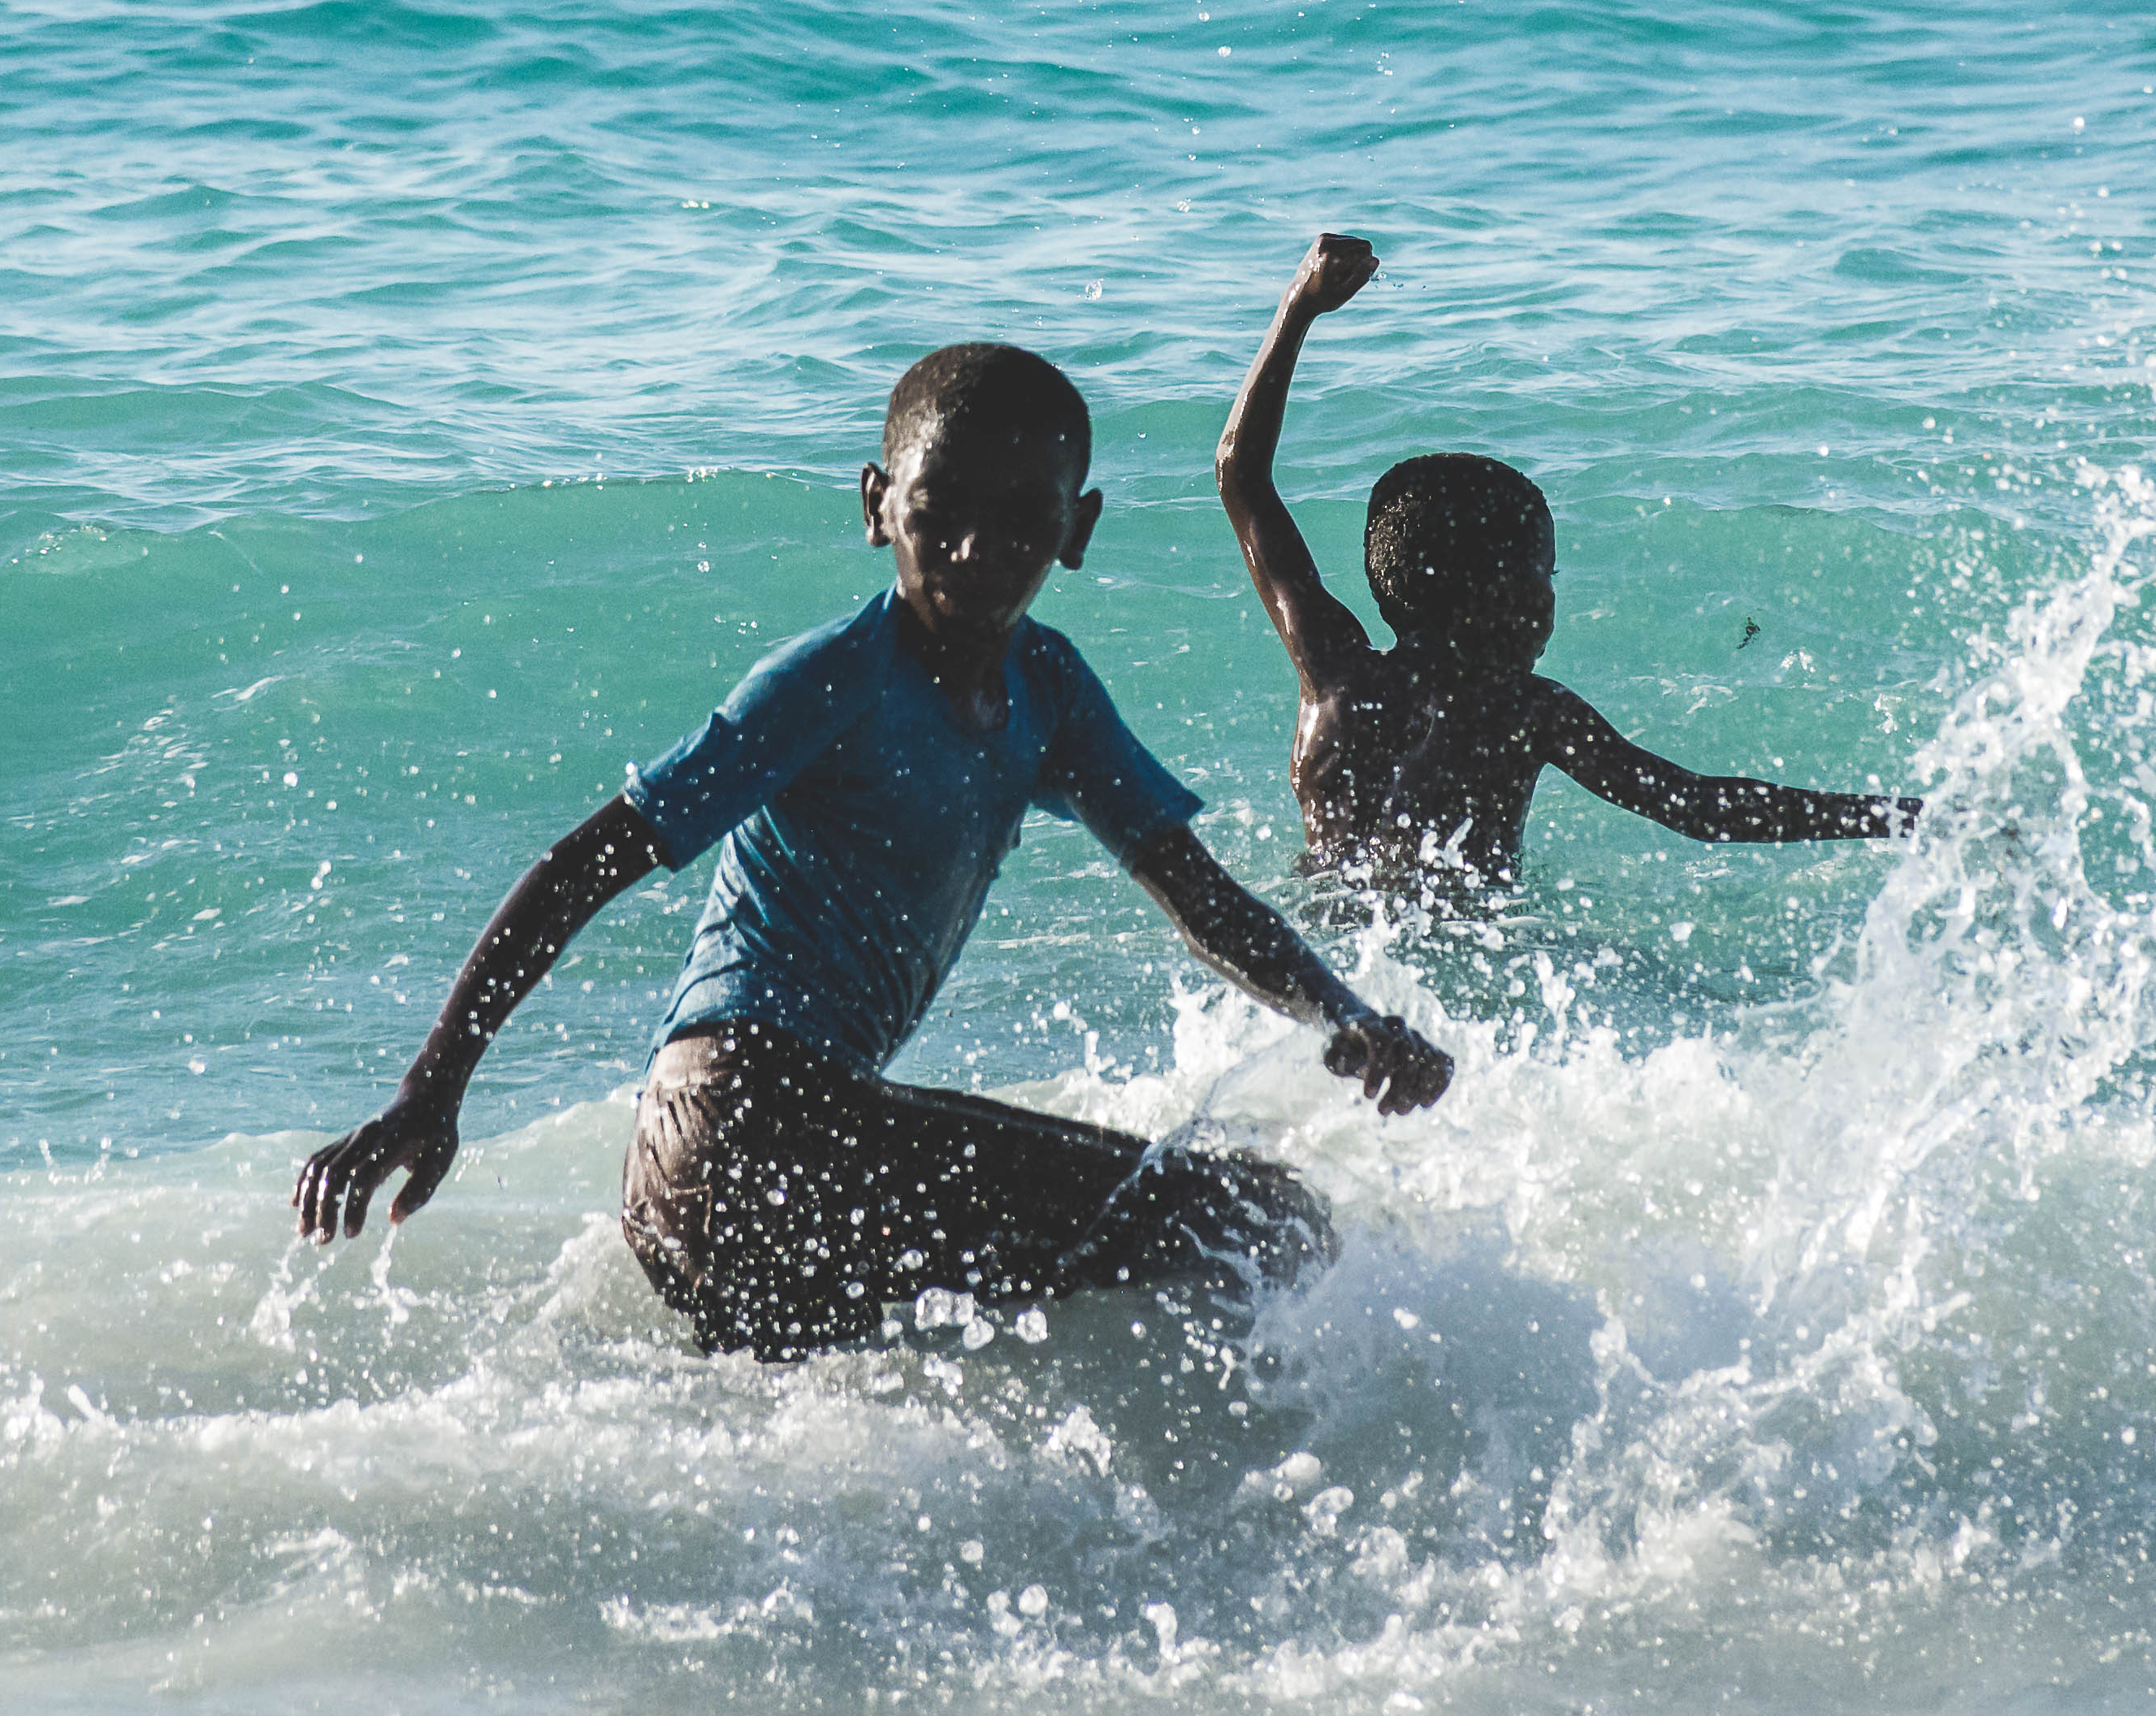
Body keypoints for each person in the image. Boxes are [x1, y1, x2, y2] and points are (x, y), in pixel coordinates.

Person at [292, 339, 1454, 1358]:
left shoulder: (1047, 689)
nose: (975, 549)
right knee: (1254, 1216)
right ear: (877, 504)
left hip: (747, 1158)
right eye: (939, 511)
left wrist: (1343, 1014)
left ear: (1078, 529)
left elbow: (1199, 896)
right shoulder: (832, 681)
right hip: (747, 1117)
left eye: (1023, 520)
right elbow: (584, 863)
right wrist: (429, 1093)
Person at [1214, 233, 1922, 894]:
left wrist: (1299, 305)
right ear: (1502, 597)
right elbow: (1698, 807)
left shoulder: (1336, 675)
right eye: (1543, 575)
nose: (1551, 597)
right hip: (1458, 951)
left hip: (1322, 937)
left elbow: (1240, 477)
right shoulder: (1526, 709)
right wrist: (1893, 815)